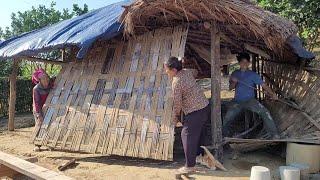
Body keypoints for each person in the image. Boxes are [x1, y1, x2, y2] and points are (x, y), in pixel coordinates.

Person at [164, 57, 210, 174]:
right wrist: (183, 64)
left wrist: (176, 118)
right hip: (204, 106)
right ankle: (199, 156)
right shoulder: (187, 72)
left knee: (186, 134)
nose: (166, 72)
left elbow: (177, 104)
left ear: (174, 70)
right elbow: (195, 71)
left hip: (195, 111)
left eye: (167, 70)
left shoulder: (176, 82)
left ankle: (189, 166)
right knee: (199, 133)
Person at [223, 52, 280, 139]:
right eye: (242, 62)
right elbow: (231, 88)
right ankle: (224, 136)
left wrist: (272, 94)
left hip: (250, 101)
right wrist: (234, 82)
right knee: (227, 118)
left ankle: (274, 134)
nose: (244, 64)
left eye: (246, 62)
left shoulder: (253, 75)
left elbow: (264, 86)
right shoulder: (235, 73)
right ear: (239, 63)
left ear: (249, 63)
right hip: (237, 101)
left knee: (265, 112)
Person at [32, 68, 54, 151]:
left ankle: (48, 143)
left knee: (49, 125)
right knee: (39, 125)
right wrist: (39, 114)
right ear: (40, 80)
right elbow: (37, 103)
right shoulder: (36, 89)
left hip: (47, 108)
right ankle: (37, 145)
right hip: (38, 109)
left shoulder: (50, 85)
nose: (46, 80)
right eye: (44, 78)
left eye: (47, 78)